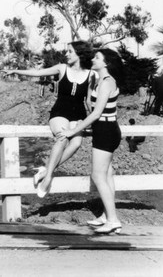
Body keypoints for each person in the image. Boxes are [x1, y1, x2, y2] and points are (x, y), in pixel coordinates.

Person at [2, 41, 93, 197]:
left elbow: (90, 101)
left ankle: (45, 170)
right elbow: (38, 72)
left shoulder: (91, 75)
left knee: (76, 143)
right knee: (63, 137)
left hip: (79, 115)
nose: (67, 54)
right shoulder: (62, 68)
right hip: (60, 112)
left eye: (70, 51)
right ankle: (48, 177)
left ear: (79, 54)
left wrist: (92, 119)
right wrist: (15, 70)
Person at [58, 48, 123, 234]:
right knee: (107, 175)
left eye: (97, 57)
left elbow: (96, 113)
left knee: (97, 176)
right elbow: (90, 105)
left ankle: (113, 220)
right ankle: (107, 215)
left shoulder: (107, 82)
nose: (93, 59)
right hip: (104, 130)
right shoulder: (100, 80)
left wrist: (73, 131)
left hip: (106, 131)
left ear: (106, 63)